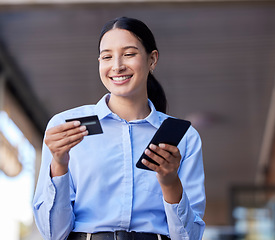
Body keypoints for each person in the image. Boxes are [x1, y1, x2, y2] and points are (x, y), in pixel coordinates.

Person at [33, 17, 206, 240]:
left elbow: (189, 237)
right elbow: (54, 234)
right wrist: (58, 164)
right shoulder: (67, 127)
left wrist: (170, 182)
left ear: (152, 60)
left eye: (129, 54)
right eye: (107, 57)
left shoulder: (184, 139)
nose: (117, 66)